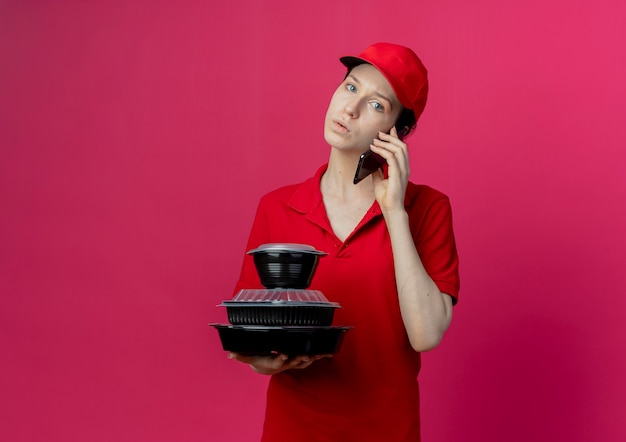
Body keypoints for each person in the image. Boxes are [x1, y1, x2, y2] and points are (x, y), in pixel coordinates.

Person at [228, 42, 460, 442]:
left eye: (376, 105)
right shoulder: (276, 206)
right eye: (351, 88)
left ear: (396, 133)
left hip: (387, 431)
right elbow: (251, 328)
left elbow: (425, 334)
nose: (350, 109)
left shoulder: (428, 208)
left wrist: (395, 213)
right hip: (293, 430)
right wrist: (263, 362)